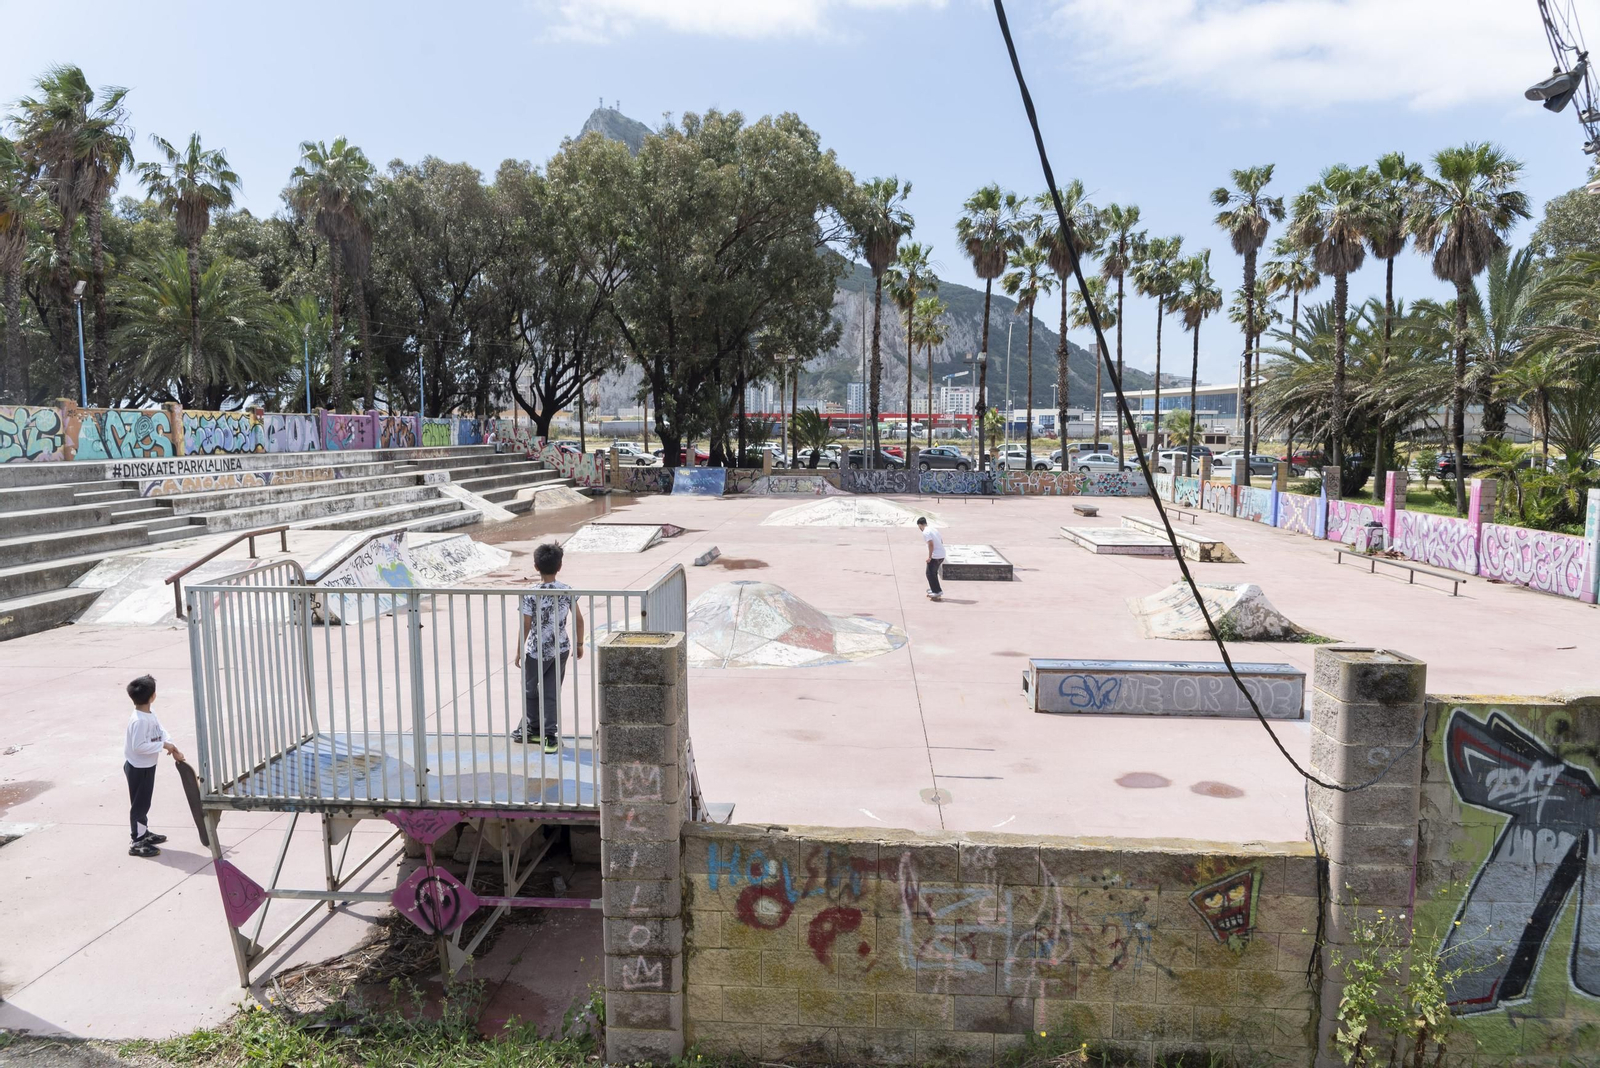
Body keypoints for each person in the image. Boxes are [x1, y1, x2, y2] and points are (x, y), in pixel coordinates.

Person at [514, 541, 585, 752]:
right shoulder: (566, 590)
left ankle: (533, 728)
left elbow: (525, 624)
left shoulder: (530, 592)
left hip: (536, 650)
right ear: (559, 566)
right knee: (552, 691)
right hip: (561, 648)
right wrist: (579, 643)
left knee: (530, 689)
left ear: (536, 567)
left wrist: (519, 650)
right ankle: (550, 736)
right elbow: (579, 619)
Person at [123, 674, 184, 858]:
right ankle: (137, 841)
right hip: (138, 768)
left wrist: (169, 742)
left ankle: (143, 832)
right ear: (153, 696)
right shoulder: (139, 720)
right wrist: (164, 746)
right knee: (140, 804)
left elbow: (160, 729)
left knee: (144, 802)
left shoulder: (149, 713)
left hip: (147, 766)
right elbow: (138, 746)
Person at [917, 517, 946, 601]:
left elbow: (930, 544)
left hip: (935, 556)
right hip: (942, 554)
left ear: (920, 525)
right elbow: (941, 540)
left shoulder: (926, 532)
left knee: (929, 573)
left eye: (919, 527)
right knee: (933, 573)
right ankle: (936, 589)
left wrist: (930, 557)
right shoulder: (933, 528)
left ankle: (936, 591)